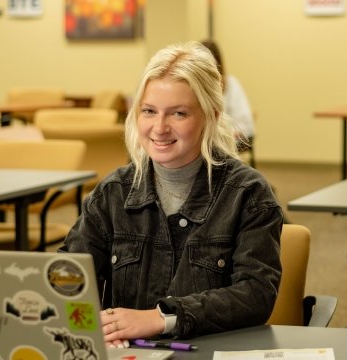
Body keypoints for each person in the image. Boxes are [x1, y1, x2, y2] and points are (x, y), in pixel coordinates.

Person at [60, 41, 283, 348]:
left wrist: (162, 318)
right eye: (149, 111)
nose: (159, 128)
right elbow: (68, 278)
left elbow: (255, 294)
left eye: (178, 113)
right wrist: (95, 324)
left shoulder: (249, 195)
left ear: (212, 116)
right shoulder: (112, 193)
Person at [200, 39, 255, 151]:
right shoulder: (194, 87)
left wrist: (222, 135)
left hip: (230, 137)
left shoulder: (232, 84)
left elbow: (244, 125)